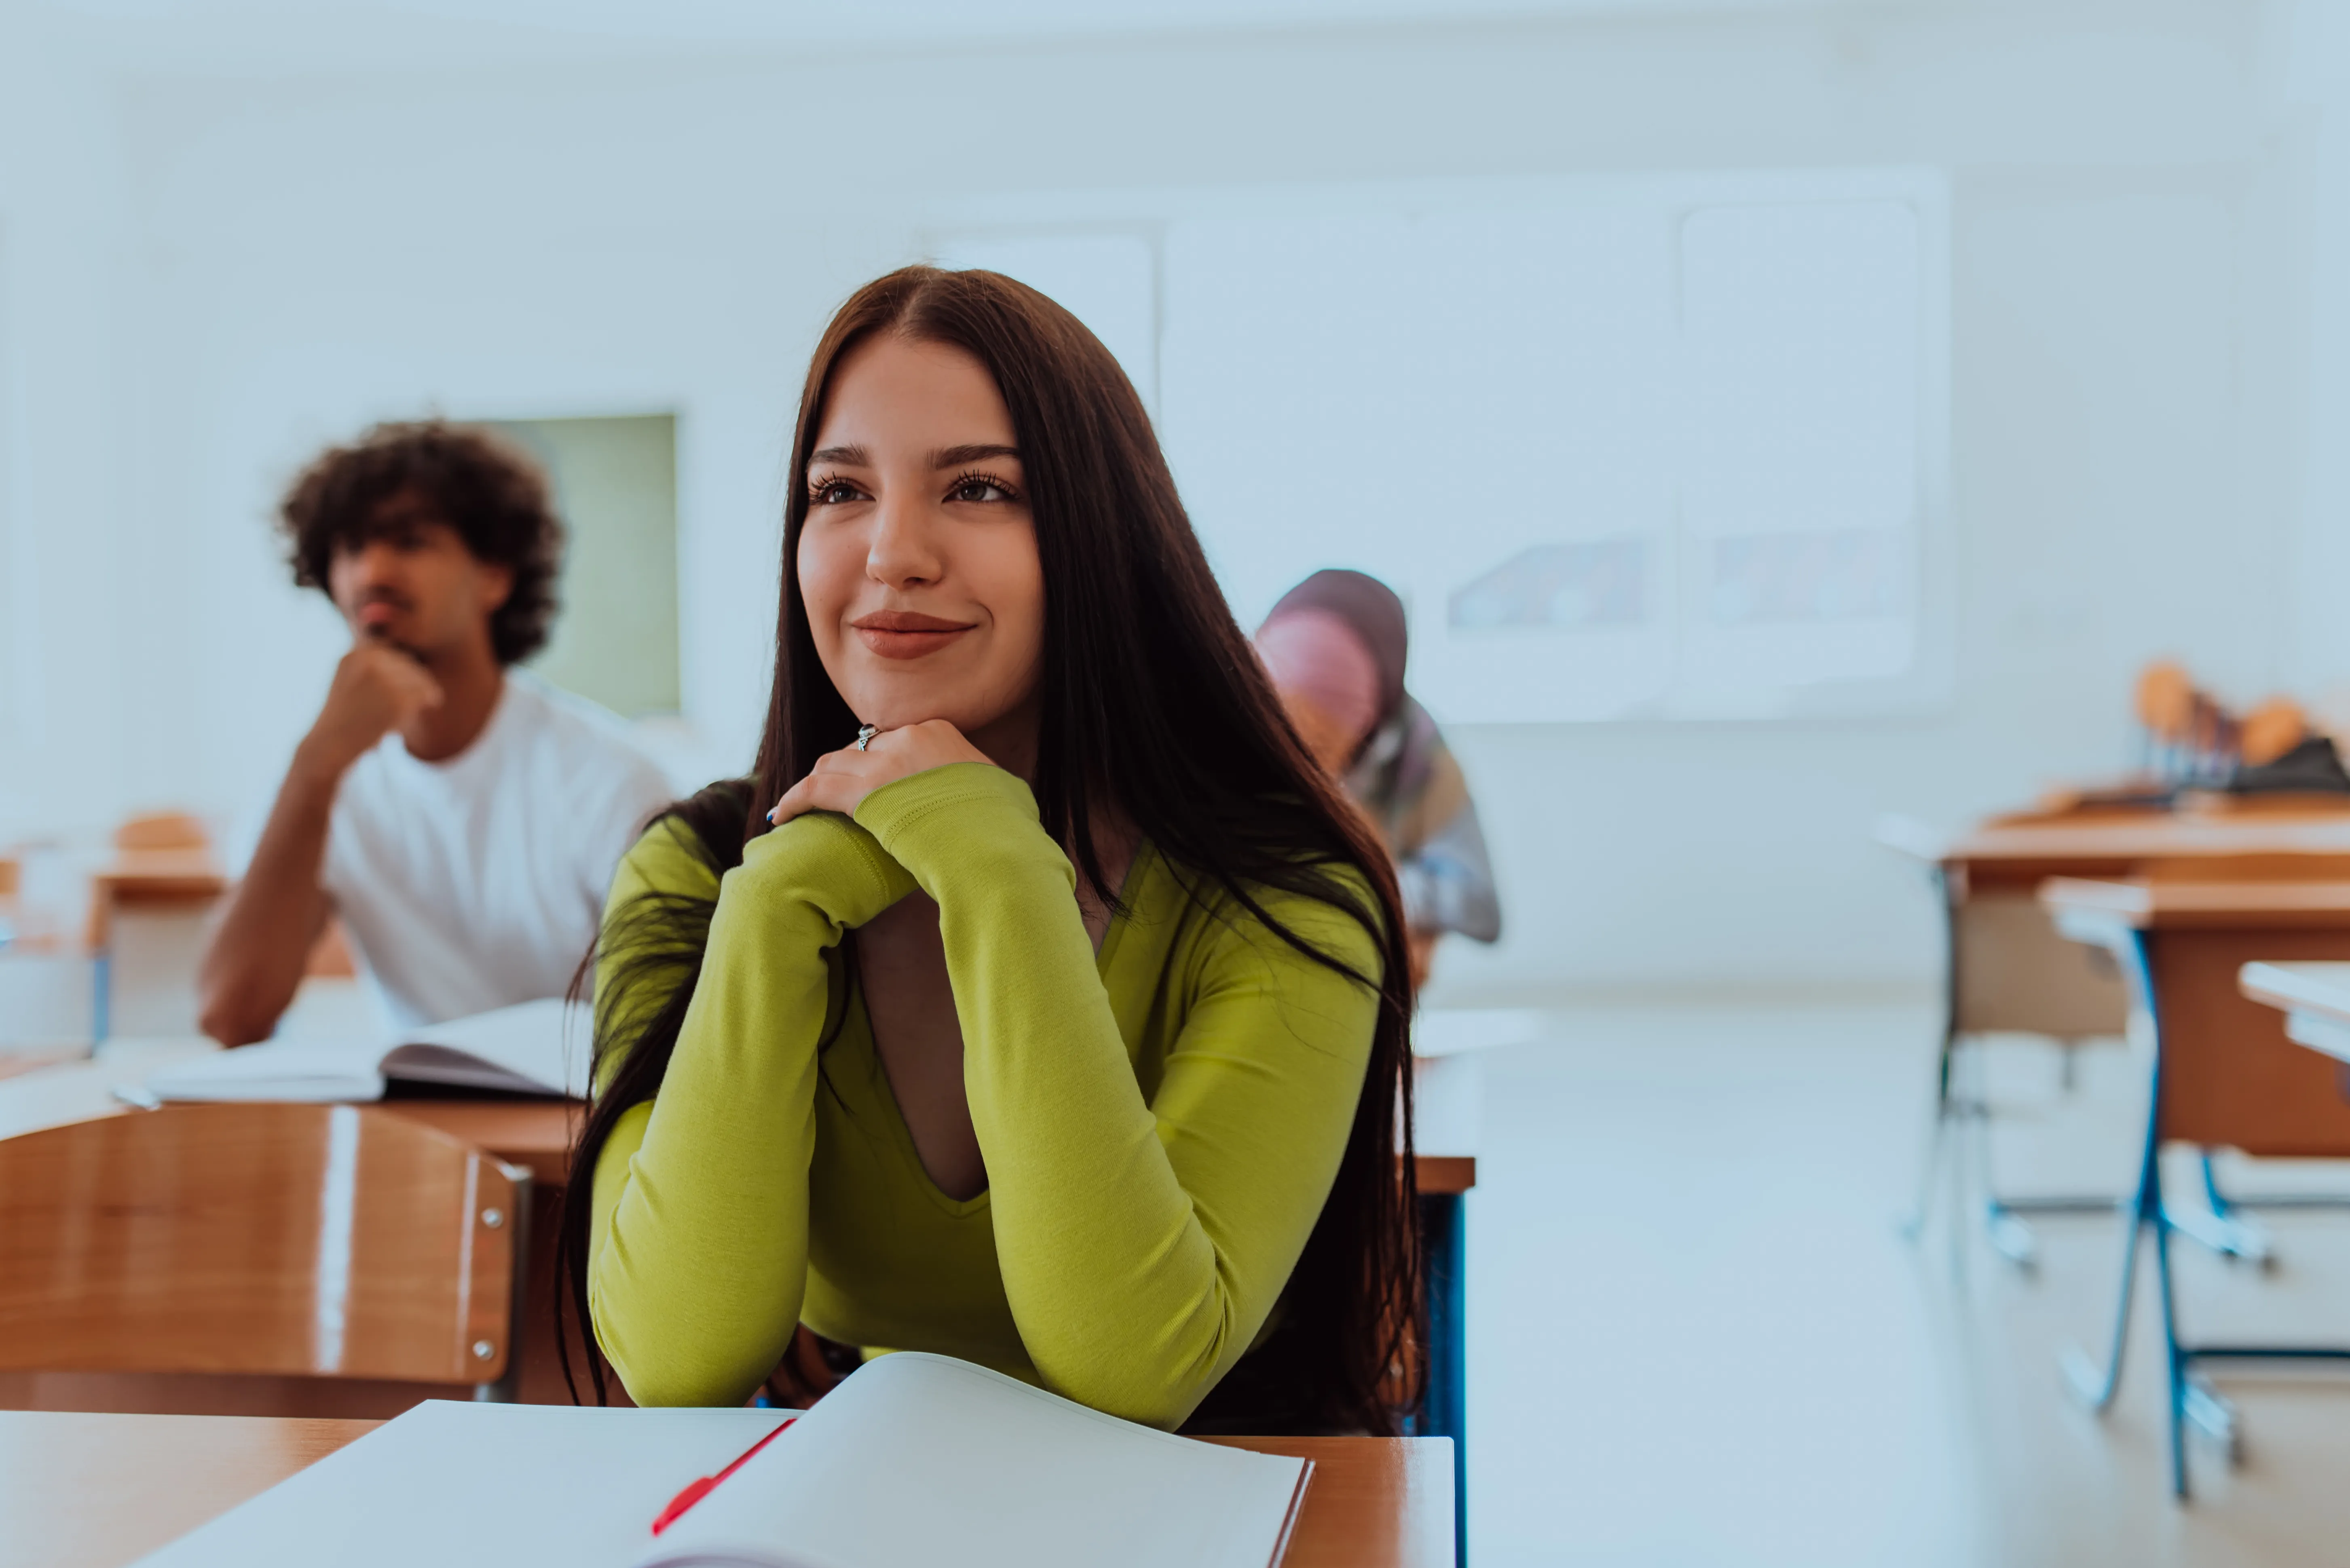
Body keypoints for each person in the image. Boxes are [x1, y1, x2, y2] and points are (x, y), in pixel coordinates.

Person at [563, 267, 1421, 1436]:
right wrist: (774, 904)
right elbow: (675, 1357)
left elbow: (1138, 1370)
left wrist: (995, 868)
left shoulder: (1283, 894)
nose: (892, 553)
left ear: (1103, 535)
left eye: (978, 488)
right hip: (884, 1494)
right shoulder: (702, 868)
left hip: (1219, 1487)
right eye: (840, 489)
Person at [198, 422, 673, 1045]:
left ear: (495, 576)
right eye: (349, 548)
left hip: (579, 1099)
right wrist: (315, 766)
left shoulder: (609, 779)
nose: (372, 571)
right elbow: (231, 1014)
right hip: (414, 1103)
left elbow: (673, 1025)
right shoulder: (322, 777)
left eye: (410, 541)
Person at [1255, 570, 1502, 987]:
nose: (1305, 779)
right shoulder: (1218, 733)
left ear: (1369, 734)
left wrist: (1373, 889)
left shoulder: (1419, 758)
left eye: (1324, 750)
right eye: (1280, 745)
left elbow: (1481, 907)